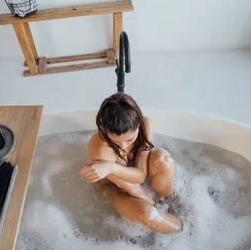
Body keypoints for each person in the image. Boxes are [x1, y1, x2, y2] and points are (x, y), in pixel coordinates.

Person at [78, 94, 182, 234]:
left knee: (163, 160)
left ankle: (170, 201)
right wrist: (155, 207)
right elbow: (133, 188)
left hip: (136, 176)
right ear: (105, 130)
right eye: (115, 141)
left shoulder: (146, 126)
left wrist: (111, 167)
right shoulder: (100, 150)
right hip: (115, 189)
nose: (123, 145)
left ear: (139, 125)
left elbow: (140, 174)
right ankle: (181, 231)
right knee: (148, 214)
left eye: (130, 139)